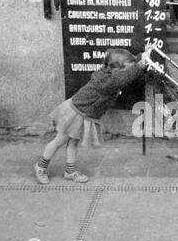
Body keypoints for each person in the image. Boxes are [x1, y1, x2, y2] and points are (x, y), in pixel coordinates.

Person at [34, 47, 151, 184]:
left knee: (73, 142)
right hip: (75, 113)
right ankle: (40, 167)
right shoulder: (110, 81)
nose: (128, 71)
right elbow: (126, 76)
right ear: (117, 69)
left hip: (82, 113)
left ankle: (70, 172)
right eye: (126, 69)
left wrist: (141, 56)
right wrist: (140, 64)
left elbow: (128, 68)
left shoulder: (109, 72)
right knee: (59, 140)